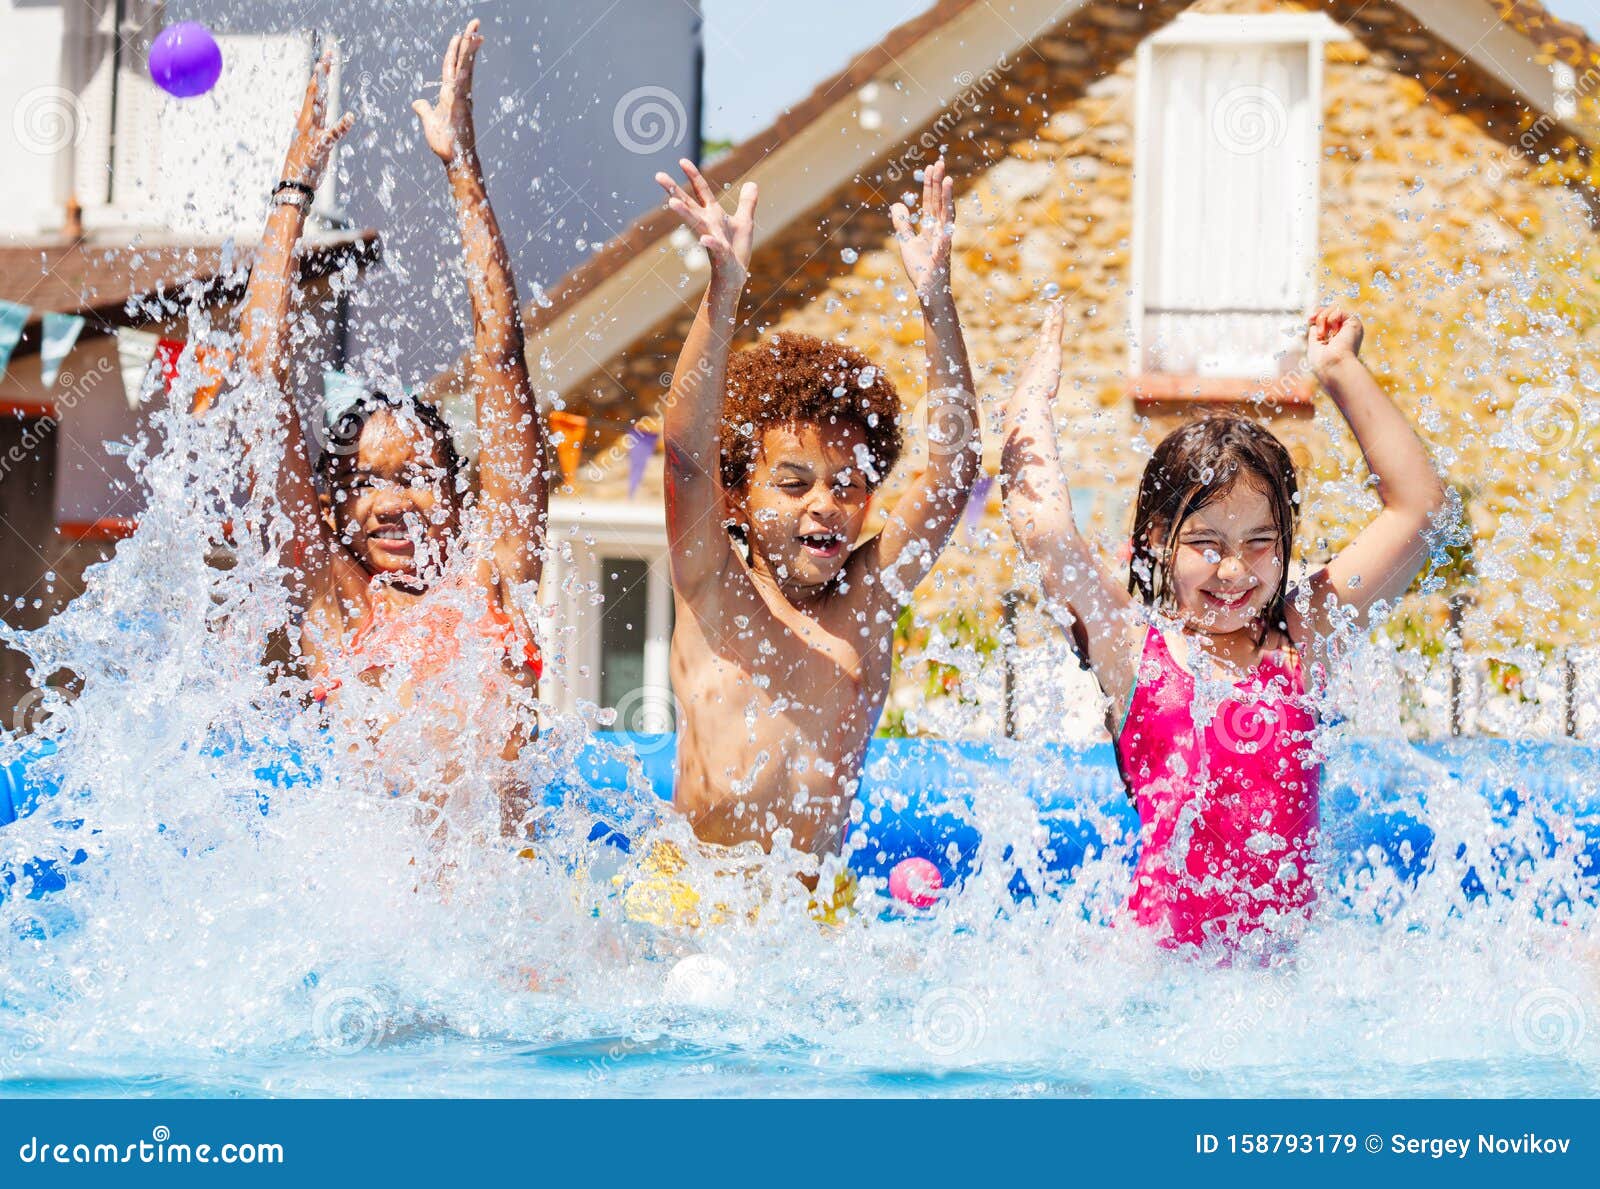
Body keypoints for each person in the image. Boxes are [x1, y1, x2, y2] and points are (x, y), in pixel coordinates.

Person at [1001, 303, 1446, 948]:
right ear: (1156, 540)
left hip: (1283, 988)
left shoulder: (1305, 638)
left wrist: (1341, 370)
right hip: (1164, 980)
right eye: (1207, 543)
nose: (1235, 570)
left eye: (1261, 541)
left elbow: (1420, 510)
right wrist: (1034, 396)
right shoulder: (1135, 651)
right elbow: (1041, 528)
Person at [633, 157, 979, 920]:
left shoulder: (870, 593)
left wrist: (936, 303)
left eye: (849, 485)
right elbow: (686, 451)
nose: (826, 504)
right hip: (690, 902)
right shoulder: (711, 579)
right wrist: (722, 295)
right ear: (736, 496)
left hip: (810, 916)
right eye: (793, 485)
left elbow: (956, 472)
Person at [229, 23, 545, 838]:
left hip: (505, 931)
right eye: (366, 483)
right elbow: (260, 376)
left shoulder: (496, 573)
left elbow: (500, 354)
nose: (394, 501)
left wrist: (461, 170)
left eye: (416, 476)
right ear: (337, 508)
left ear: (458, 492)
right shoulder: (335, 605)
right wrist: (293, 193)